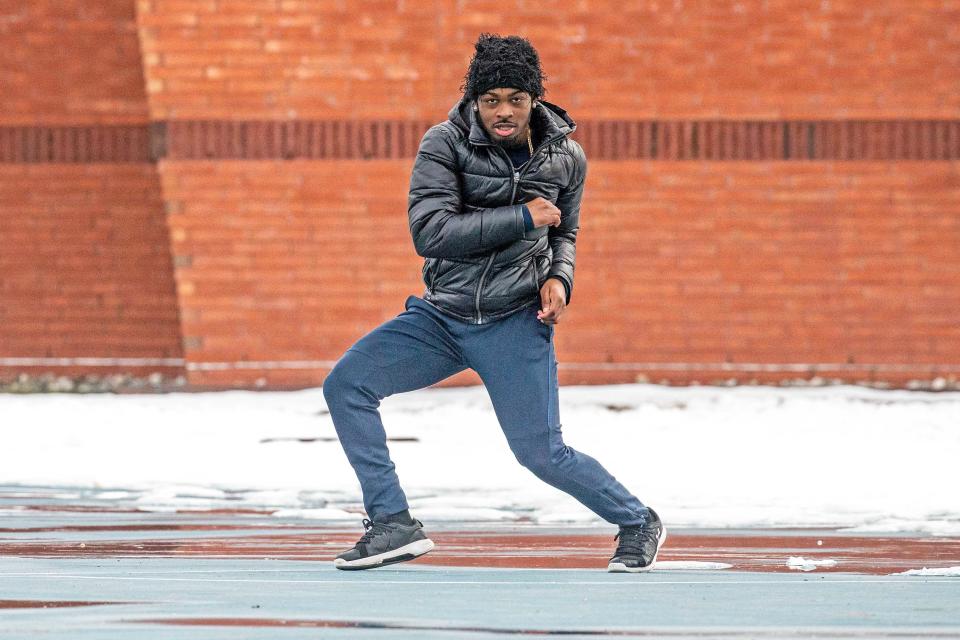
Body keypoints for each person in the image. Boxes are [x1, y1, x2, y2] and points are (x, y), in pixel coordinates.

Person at [323, 33, 665, 573]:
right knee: (347, 384)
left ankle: (636, 520)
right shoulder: (445, 143)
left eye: (515, 100)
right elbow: (430, 233)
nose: (503, 113)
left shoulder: (566, 156)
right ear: (474, 101)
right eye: (490, 101)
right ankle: (393, 523)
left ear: (534, 101)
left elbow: (565, 232)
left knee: (541, 454)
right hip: (442, 316)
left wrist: (560, 279)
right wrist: (525, 216)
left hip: (514, 322)